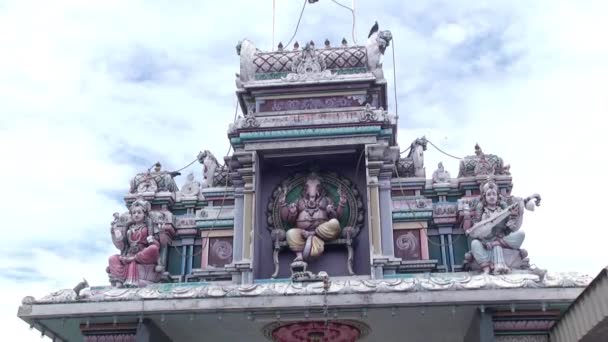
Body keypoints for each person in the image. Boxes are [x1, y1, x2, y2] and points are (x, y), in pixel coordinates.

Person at [463, 181, 526, 274]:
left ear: (497, 197)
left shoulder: (503, 211)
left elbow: (511, 229)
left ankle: (496, 245)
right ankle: (486, 267)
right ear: (485, 197)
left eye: (494, 194)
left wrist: (513, 218)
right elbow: (476, 232)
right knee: (474, 243)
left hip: (502, 240)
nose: (492, 197)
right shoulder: (482, 212)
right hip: (486, 245)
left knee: (521, 234)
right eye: (488, 195)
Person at [107, 198, 161, 287]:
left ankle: (133, 260)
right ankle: (119, 281)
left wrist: (153, 239)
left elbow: (156, 246)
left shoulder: (148, 227)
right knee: (112, 258)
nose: (136, 215)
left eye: (139, 212)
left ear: (144, 214)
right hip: (128, 254)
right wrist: (114, 232)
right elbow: (121, 246)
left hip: (143, 254)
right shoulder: (129, 228)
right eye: (134, 213)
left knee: (153, 249)